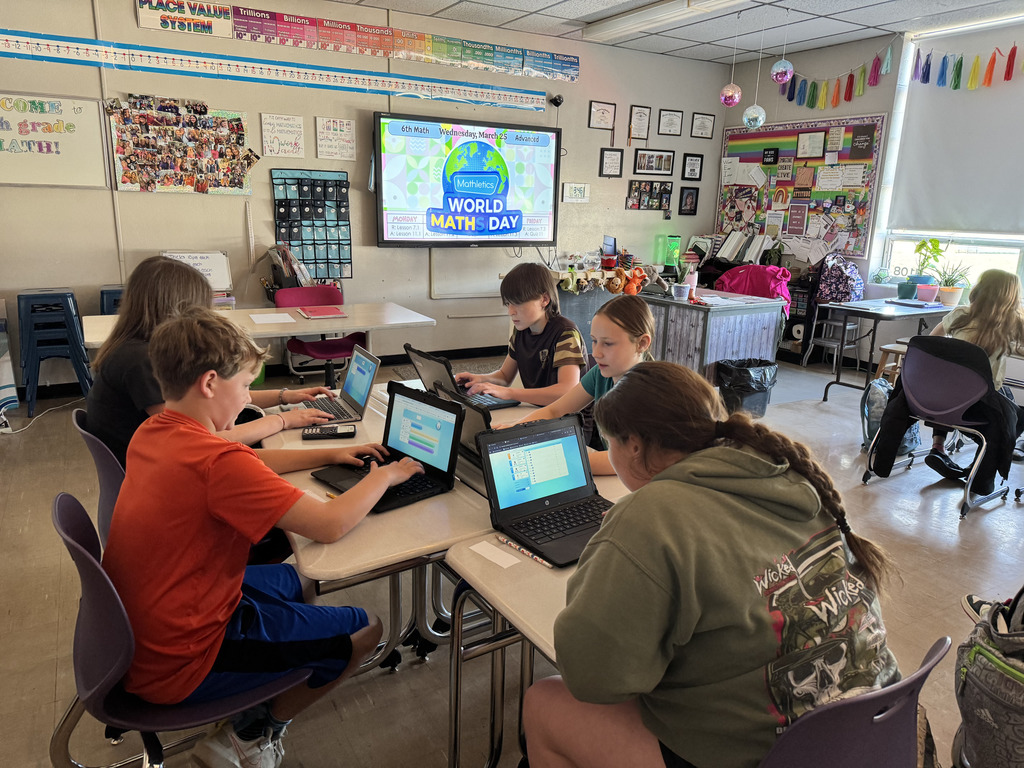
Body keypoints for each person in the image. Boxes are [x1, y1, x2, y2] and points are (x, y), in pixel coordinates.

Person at [522, 361, 900, 768]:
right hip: (875, 733)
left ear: (633, 445)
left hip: (773, 755)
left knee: (545, 702)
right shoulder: (788, 474)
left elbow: (592, 678)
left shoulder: (651, 517)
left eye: (608, 442)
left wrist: (616, 547)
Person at [102, 306, 424, 767]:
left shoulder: (155, 431)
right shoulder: (216, 463)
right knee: (365, 629)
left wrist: (338, 450)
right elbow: (330, 525)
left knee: (303, 580)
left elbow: (243, 464)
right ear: (210, 383)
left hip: (152, 624)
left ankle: (269, 679)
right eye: (245, 386)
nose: (249, 396)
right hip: (184, 659)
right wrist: (385, 476)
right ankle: (249, 737)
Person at [86, 255, 334, 467]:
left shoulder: (133, 347)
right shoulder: (141, 361)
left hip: (154, 469)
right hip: (164, 471)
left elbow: (205, 398)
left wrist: (284, 396)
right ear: (180, 309)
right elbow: (201, 440)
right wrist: (282, 420)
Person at [510, 294, 654, 475]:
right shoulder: (601, 374)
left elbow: (627, 461)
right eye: (594, 340)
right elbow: (554, 411)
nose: (596, 353)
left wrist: (552, 462)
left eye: (608, 344)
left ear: (641, 343)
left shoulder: (649, 392)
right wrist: (511, 432)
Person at [923, 269, 1024, 486]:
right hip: (979, 404)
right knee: (1015, 413)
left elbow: (930, 342)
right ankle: (982, 461)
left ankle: (938, 446)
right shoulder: (1013, 323)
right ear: (1012, 298)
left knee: (952, 380)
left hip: (941, 401)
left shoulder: (961, 314)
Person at [455, 262, 587, 406]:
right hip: (540, 411)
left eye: (517, 303)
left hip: (570, 421)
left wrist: (510, 393)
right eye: (508, 304)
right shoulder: (521, 331)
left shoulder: (565, 333)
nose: (510, 311)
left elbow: (567, 391)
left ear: (544, 299)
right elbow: (505, 376)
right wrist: (479, 379)